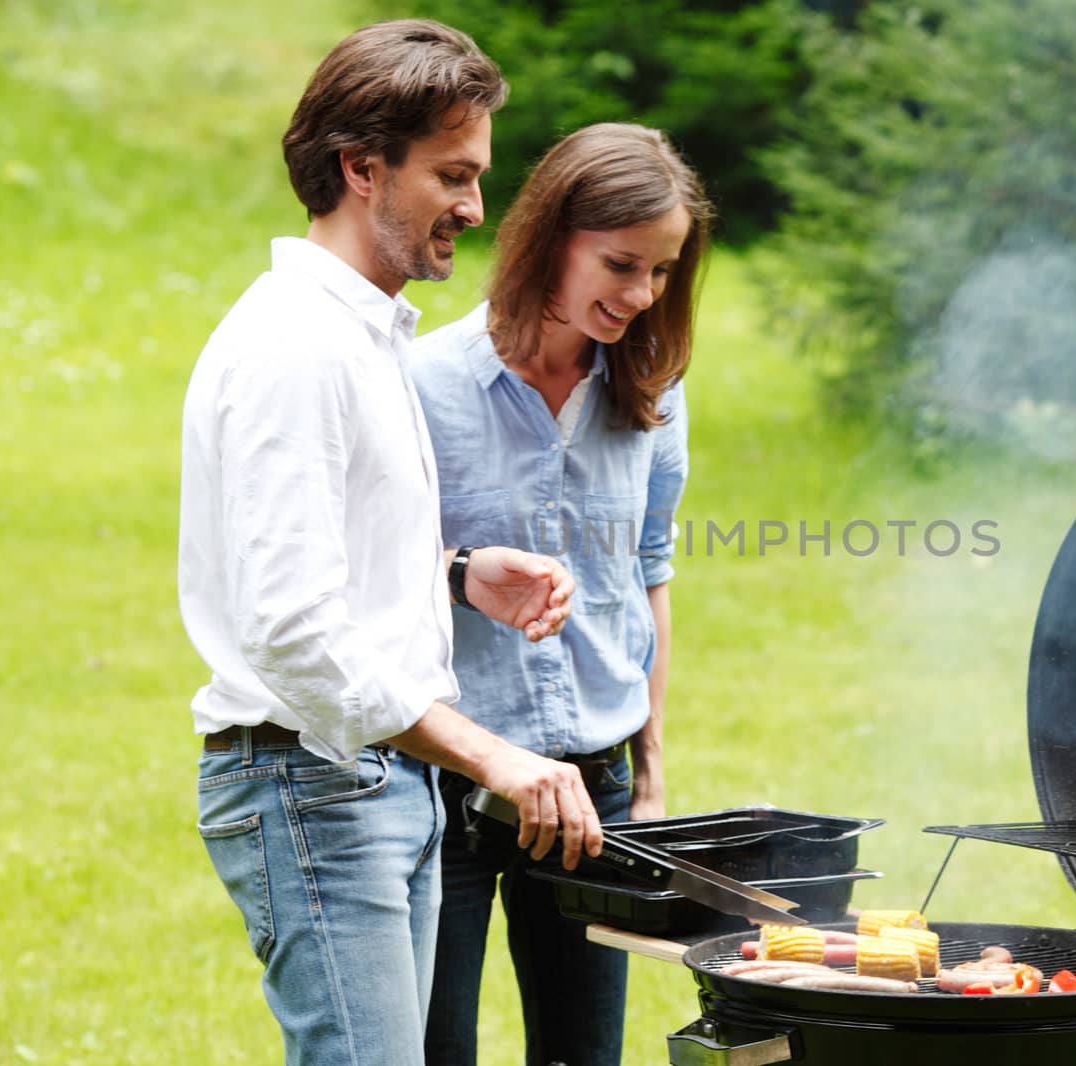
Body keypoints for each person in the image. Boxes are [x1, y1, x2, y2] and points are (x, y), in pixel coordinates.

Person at [178, 21, 604, 1065]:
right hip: (311, 782)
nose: (474, 207)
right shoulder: (296, 348)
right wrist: (494, 754)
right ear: (361, 168)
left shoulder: (365, 334)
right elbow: (290, 630)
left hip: (371, 780)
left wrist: (456, 574)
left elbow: (334, 561)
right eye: (452, 176)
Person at [412, 122, 714, 1066]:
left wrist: (651, 770)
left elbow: (647, 577)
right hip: (448, 779)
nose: (640, 296)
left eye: (662, 273)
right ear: (552, 235)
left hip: (595, 789)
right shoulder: (420, 386)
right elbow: (376, 578)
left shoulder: (652, 397)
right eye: (621, 264)